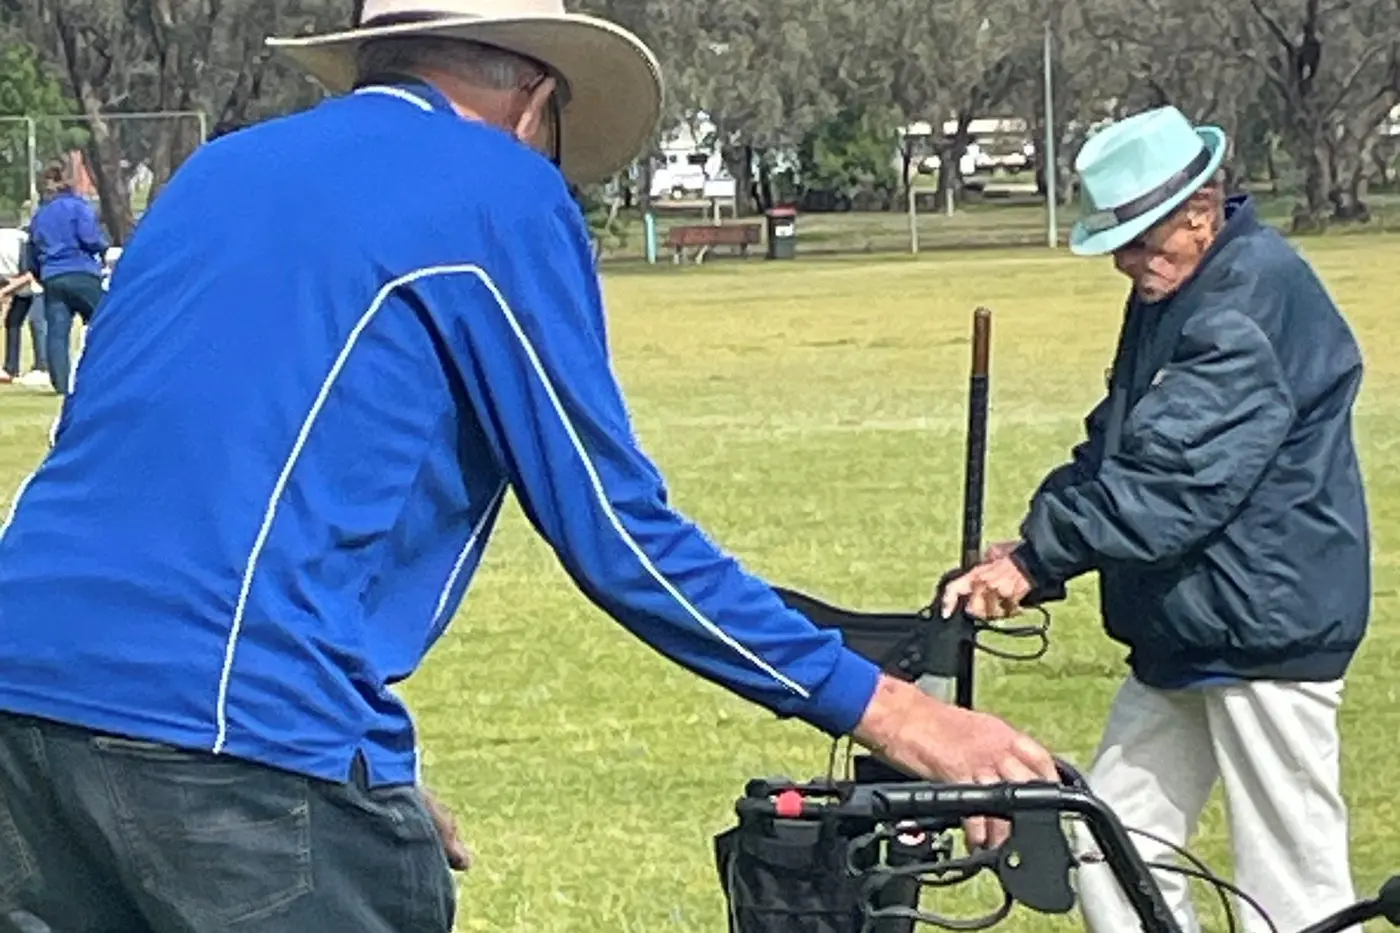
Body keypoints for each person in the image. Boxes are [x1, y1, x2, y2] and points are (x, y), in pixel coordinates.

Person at [0, 1, 1060, 930]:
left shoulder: (217, 170)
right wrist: (897, 714)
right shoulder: (496, 188)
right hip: (240, 739)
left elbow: (115, 451)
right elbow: (615, 532)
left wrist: (351, 764)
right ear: (533, 96)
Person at [942, 105, 1370, 933]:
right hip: (1191, 622)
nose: (1126, 263)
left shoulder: (1243, 301)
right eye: (1119, 243)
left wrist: (1037, 565)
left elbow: (1175, 483)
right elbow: (1121, 440)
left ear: (1200, 213)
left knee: (1292, 883)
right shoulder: (1184, 284)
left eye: (1140, 241)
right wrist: (1033, 543)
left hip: (1264, 625)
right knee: (1112, 841)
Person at [27, 161, 109, 396]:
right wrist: (103, 249)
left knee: (57, 333)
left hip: (52, 276)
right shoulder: (78, 207)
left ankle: (61, 385)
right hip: (80, 270)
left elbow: (31, 250)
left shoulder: (40, 215)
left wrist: (40, 274)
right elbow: (90, 238)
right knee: (104, 321)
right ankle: (103, 372)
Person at [0, 223, 47, 386]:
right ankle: (11, 369)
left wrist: (5, 291)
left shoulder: (21, 244)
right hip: (21, 286)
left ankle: (42, 367)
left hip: (38, 282)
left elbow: (29, 274)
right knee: (12, 321)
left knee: (37, 321)